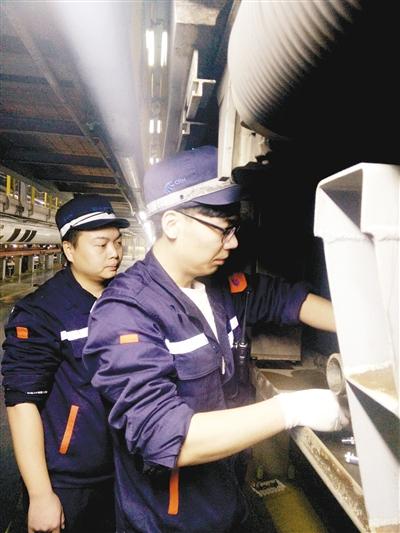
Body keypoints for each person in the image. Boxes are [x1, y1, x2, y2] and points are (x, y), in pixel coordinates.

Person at [83, 146, 347, 533]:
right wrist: (291, 409)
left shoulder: (219, 289)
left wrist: (367, 330)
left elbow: (286, 300)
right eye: (223, 230)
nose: (233, 243)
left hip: (227, 502)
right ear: (172, 224)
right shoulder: (125, 312)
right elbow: (163, 435)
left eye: (234, 230)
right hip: (170, 523)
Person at [2, 194, 129, 533]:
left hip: (127, 469)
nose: (114, 253)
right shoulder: (42, 312)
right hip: (71, 481)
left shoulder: (127, 299)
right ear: (69, 250)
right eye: (101, 244)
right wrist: (41, 495)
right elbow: (22, 403)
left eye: (118, 242)